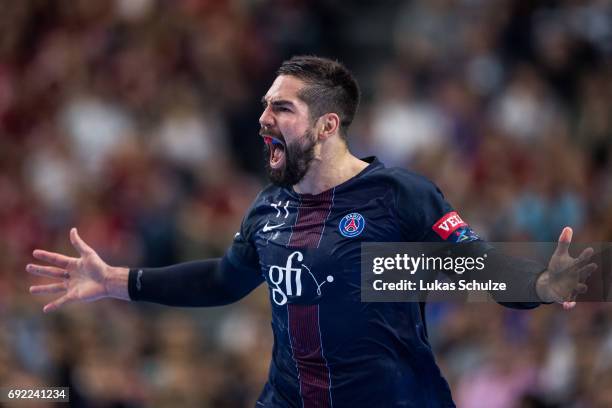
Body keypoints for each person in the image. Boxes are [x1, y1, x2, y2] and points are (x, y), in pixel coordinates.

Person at [27, 56, 596, 407]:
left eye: (282, 109)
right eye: (264, 106)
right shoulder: (267, 208)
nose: (263, 119)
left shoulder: (400, 194)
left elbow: (477, 265)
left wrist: (540, 286)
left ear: (327, 125)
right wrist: (117, 281)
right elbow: (224, 281)